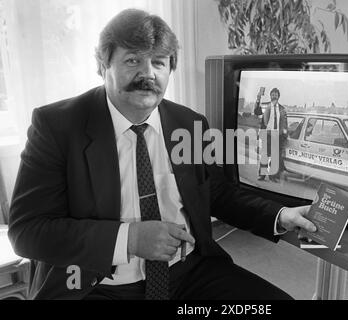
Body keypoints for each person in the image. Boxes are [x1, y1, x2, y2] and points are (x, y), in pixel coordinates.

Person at [7, 9, 316, 300]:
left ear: (171, 69)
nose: (147, 74)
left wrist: (279, 215)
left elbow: (217, 193)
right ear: (103, 66)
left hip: (188, 275)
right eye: (132, 61)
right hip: (93, 284)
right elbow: (28, 230)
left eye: (158, 62)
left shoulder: (189, 124)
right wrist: (128, 239)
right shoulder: (58, 127)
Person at [254, 87, 288, 182]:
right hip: (266, 134)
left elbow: (285, 124)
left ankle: (272, 176)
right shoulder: (265, 107)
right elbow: (256, 111)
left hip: (277, 136)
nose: (274, 96)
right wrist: (258, 99)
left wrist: (284, 136)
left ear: (278, 97)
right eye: (272, 94)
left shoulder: (282, 109)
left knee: (274, 157)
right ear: (270, 96)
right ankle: (262, 175)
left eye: (276, 95)